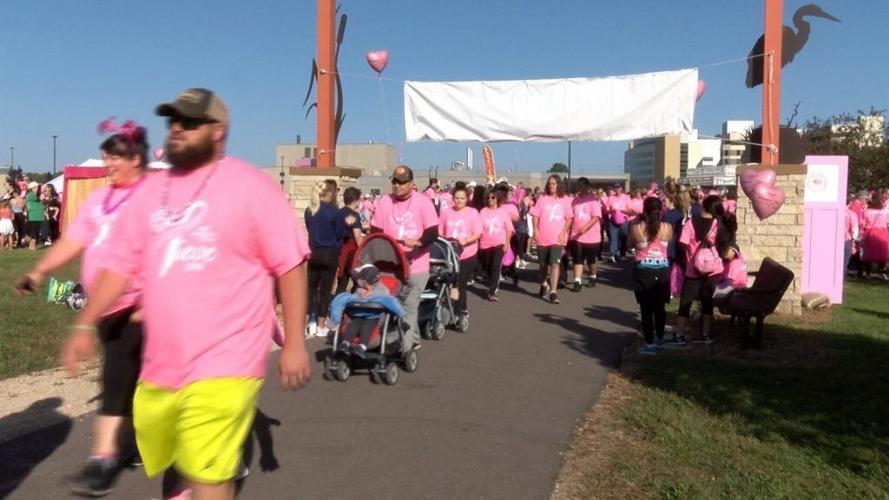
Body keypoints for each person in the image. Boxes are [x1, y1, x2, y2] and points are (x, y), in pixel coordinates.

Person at [58, 88, 312, 500]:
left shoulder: (252, 188)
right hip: (162, 365)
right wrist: (85, 321)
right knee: (179, 467)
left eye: (189, 122)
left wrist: (295, 343)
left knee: (207, 471)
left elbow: (291, 265)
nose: (177, 129)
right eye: (173, 121)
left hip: (227, 360)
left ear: (217, 131)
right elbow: (119, 266)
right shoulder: (150, 193)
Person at [14, 124, 151, 496]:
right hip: (105, 307)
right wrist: (39, 271)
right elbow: (73, 241)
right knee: (135, 381)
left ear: (136, 158)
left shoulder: (150, 198)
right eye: (105, 155)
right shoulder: (99, 201)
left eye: (114, 157)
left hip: (139, 308)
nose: (107, 163)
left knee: (118, 379)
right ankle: (137, 444)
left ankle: (103, 459)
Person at [370, 165, 438, 353]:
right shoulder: (385, 202)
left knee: (408, 305)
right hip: (391, 265)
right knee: (389, 304)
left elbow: (433, 232)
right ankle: (409, 339)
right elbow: (376, 231)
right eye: (395, 182)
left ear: (411, 183)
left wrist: (418, 243)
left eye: (402, 182)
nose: (398, 186)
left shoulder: (423, 202)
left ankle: (405, 349)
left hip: (416, 265)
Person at [675, 195, 728, 344]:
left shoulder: (691, 223)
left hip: (693, 269)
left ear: (703, 206)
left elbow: (683, 243)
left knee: (686, 302)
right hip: (714, 269)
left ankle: (679, 334)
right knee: (707, 302)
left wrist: (689, 255)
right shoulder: (718, 224)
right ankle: (706, 334)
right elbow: (724, 245)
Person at [328, 264, 405, 356]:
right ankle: (345, 343)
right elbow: (355, 296)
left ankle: (362, 346)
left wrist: (371, 294)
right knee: (353, 325)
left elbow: (387, 298)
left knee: (367, 327)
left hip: (374, 316)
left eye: (364, 283)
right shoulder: (361, 289)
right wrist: (359, 295)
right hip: (360, 314)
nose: (362, 285)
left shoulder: (382, 289)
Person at [628, 197, 672, 355]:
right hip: (661, 271)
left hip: (643, 272)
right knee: (660, 308)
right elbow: (668, 242)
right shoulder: (667, 228)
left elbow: (629, 245)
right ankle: (660, 339)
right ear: (660, 210)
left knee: (646, 309)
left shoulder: (636, 229)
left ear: (644, 210)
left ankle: (650, 343)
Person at [305, 179, 349, 337]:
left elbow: (310, 230)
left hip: (313, 251)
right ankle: (321, 324)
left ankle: (310, 321)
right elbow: (340, 233)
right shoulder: (335, 212)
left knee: (311, 289)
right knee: (325, 290)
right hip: (329, 252)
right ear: (329, 193)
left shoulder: (310, 211)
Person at [438, 186, 481, 319]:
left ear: (467, 199)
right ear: (452, 199)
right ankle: (449, 309)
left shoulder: (473, 212)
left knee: (460, 283)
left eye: (462, 198)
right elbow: (440, 231)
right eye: (457, 198)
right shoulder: (446, 212)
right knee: (448, 283)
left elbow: (477, 233)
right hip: (450, 253)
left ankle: (462, 310)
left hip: (467, 253)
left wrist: (466, 240)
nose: (459, 201)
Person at [530, 174, 573, 304]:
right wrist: (535, 231)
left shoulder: (564, 200)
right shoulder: (542, 199)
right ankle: (544, 283)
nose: (551, 186)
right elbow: (535, 216)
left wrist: (563, 232)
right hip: (543, 236)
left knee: (555, 264)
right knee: (543, 265)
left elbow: (569, 218)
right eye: (550, 183)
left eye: (554, 183)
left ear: (558, 185)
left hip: (557, 238)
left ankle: (553, 292)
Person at [477, 188, 512, 302]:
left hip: (499, 243)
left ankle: (492, 291)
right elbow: (478, 228)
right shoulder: (483, 211)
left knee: (496, 266)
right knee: (487, 266)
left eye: (492, 197)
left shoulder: (503, 212)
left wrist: (507, 243)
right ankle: (491, 281)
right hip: (485, 244)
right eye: (488, 197)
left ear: (497, 199)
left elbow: (509, 229)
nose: (490, 200)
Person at [568, 177, 602, 290]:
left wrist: (585, 227)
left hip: (591, 236)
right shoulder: (574, 201)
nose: (580, 187)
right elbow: (571, 217)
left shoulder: (593, 200)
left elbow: (596, 217)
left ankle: (592, 276)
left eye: (582, 184)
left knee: (591, 260)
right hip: (576, 235)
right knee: (577, 258)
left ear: (587, 186)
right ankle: (577, 281)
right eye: (578, 185)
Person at [336, 186, 365, 294]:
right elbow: (358, 238)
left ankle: (338, 306)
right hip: (351, 252)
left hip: (340, 251)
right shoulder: (354, 215)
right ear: (356, 200)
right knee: (358, 282)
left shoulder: (338, 213)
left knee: (341, 283)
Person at [606, 183, 631, 262]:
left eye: (618, 188)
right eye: (615, 188)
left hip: (623, 219)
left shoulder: (626, 198)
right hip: (613, 220)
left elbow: (630, 210)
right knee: (613, 237)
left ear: (621, 188)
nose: (617, 189)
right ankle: (612, 254)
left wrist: (624, 210)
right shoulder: (610, 198)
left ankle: (622, 253)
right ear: (614, 189)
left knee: (624, 236)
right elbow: (606, 210)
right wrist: (611, 210)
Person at [24, 181, 45, 250]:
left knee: (34, 231)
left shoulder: (31, 195)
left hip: (35, 216)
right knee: (35, 232)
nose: (37, 189)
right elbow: (38, 199)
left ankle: (31, 246)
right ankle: (32, 246)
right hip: (35, 216)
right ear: (33, 188)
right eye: (36, 187)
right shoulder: (32, 195)